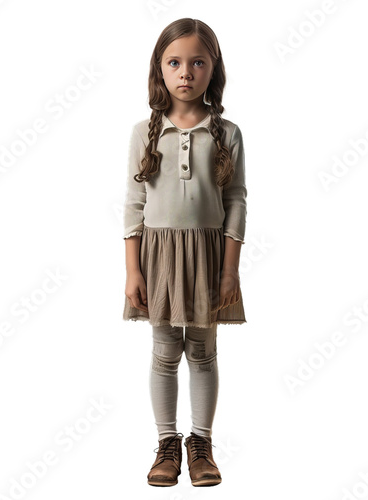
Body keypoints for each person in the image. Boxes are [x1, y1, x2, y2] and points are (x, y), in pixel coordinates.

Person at [122, 18, 247, 487]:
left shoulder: (227, 132)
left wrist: (230, 269)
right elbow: (134, 204)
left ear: (213, 69)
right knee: (163, 351)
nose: (186, 72)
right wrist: (132, 269)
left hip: (210, 256)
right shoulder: (145, 132)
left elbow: (235, 198)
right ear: (160, 68)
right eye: (174, 62)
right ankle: (167, 442)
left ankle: (202, 443)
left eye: (198, 62)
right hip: (157, 254)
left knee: (203, 351)